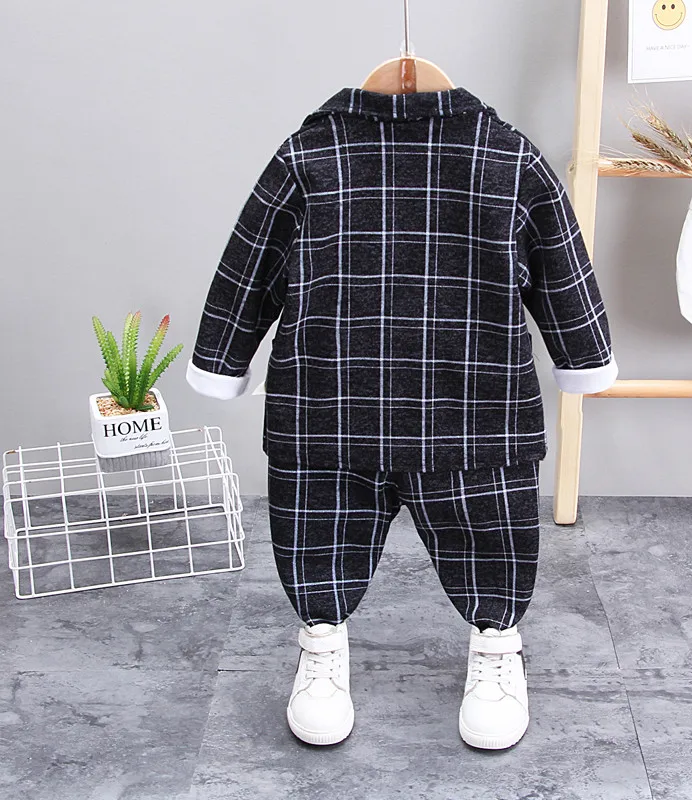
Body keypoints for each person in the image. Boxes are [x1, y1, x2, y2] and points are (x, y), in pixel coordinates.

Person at [186, 86, 618, 750]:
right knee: (321, 531)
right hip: (347, 403)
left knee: (489, 535)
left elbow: (558, 260)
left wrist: (223, 360)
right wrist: (583, 356)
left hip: (455, 404)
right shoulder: (317, 158)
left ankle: (496, 643)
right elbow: (254, 259)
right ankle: (322, 640)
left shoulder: (499, 160)